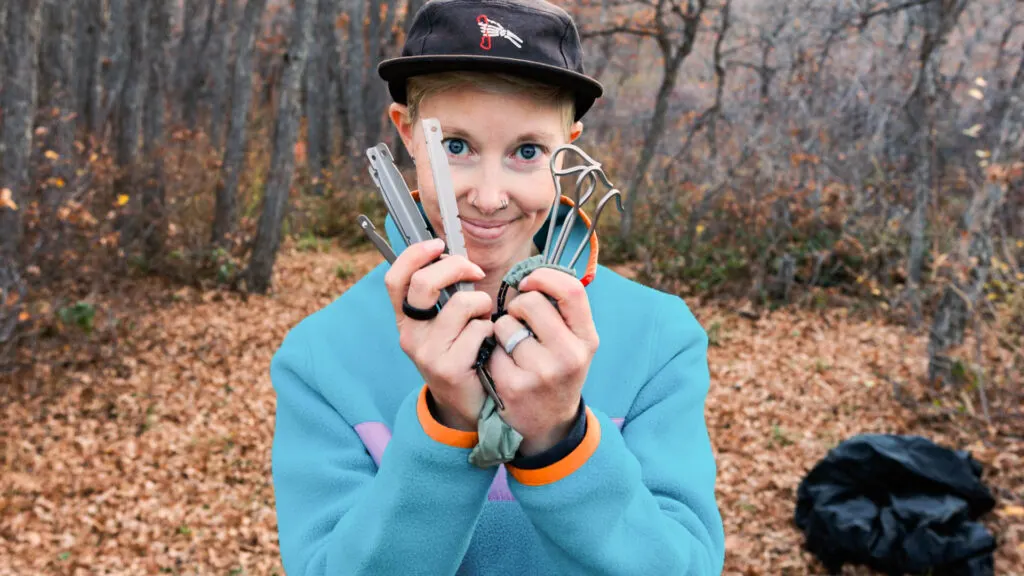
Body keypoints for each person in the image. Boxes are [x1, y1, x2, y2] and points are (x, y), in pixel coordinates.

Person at [269, 0, 725, 574]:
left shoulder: (660, 338)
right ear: (406, 133)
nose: (488, 197)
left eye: (527, 152)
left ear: (571, 147)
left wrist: (561, 438)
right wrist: (446, 428)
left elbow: (683, 565)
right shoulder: (321, 357)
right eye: (454, 147)